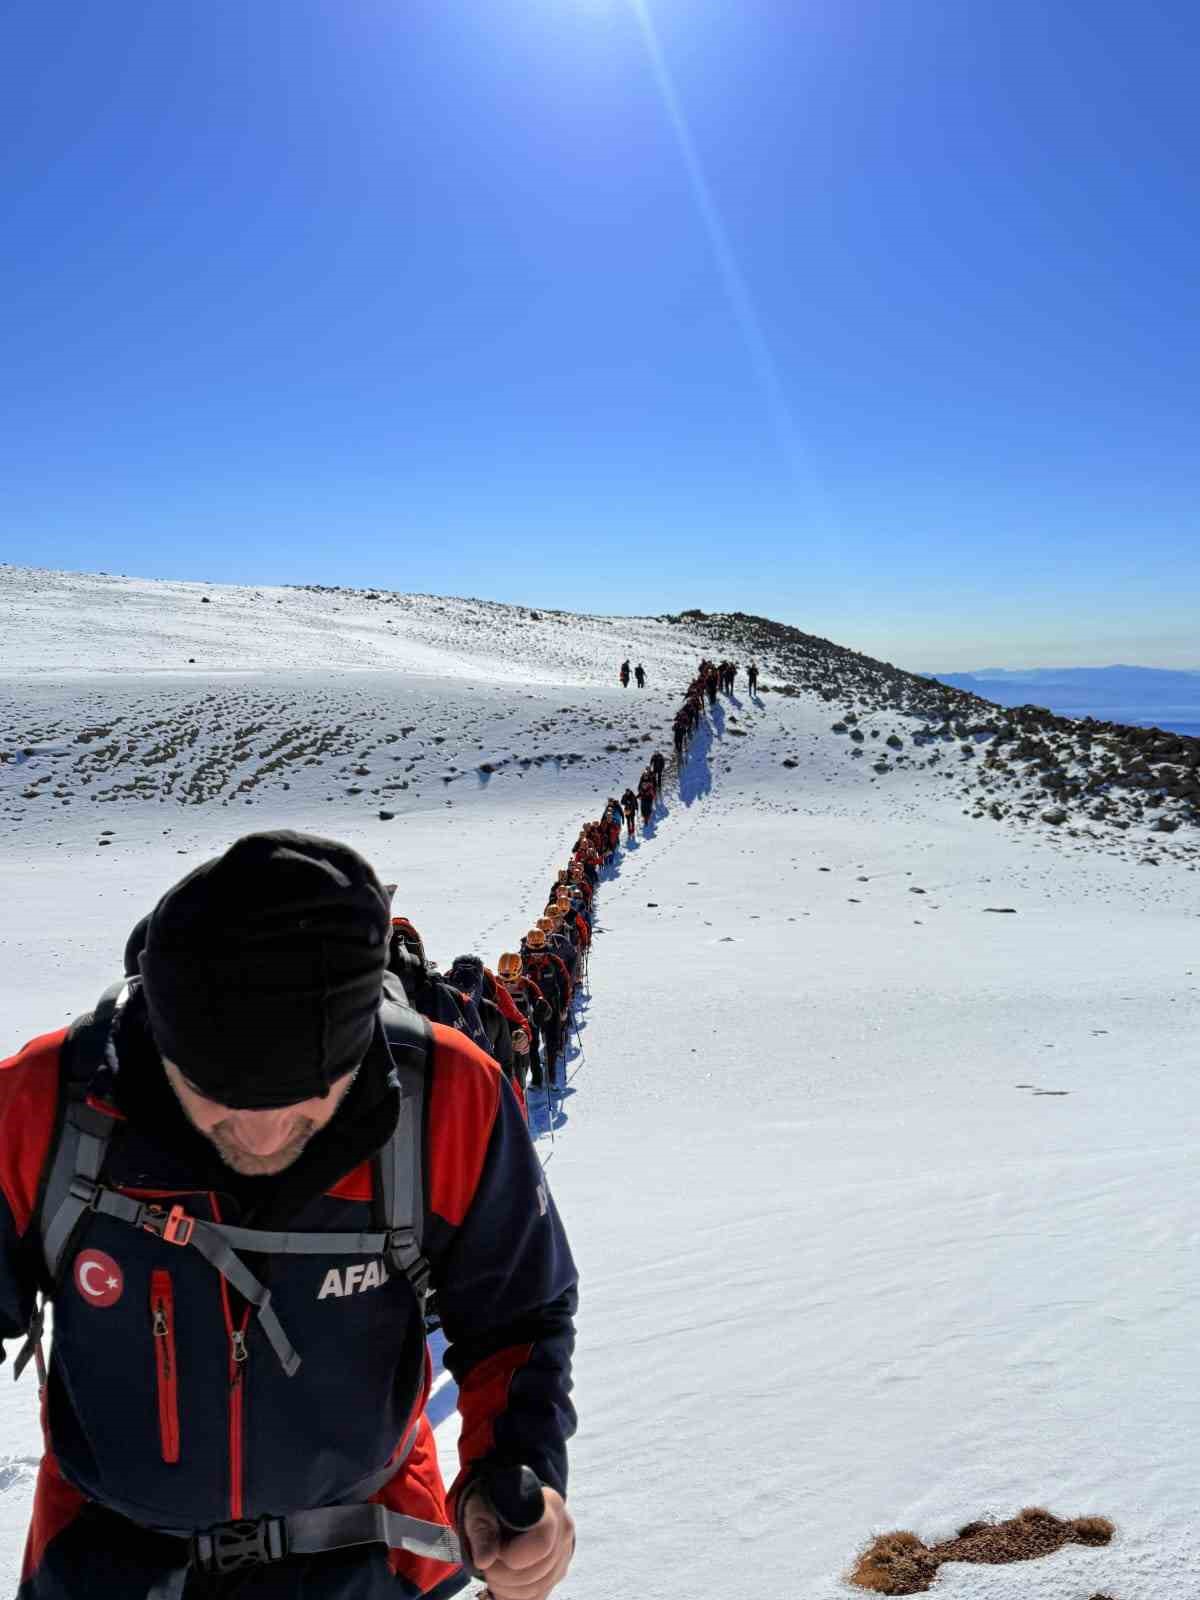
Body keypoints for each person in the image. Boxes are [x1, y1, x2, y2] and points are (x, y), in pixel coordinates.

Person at [0, 831, 577, 1600]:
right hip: (105, 1560)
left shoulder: (446, 1102)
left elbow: (517, 1315)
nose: (264, 1137)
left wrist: (513, 1471)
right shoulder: (47, 1105)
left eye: (305, 1106)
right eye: (219, 1104)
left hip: (371, 1558)